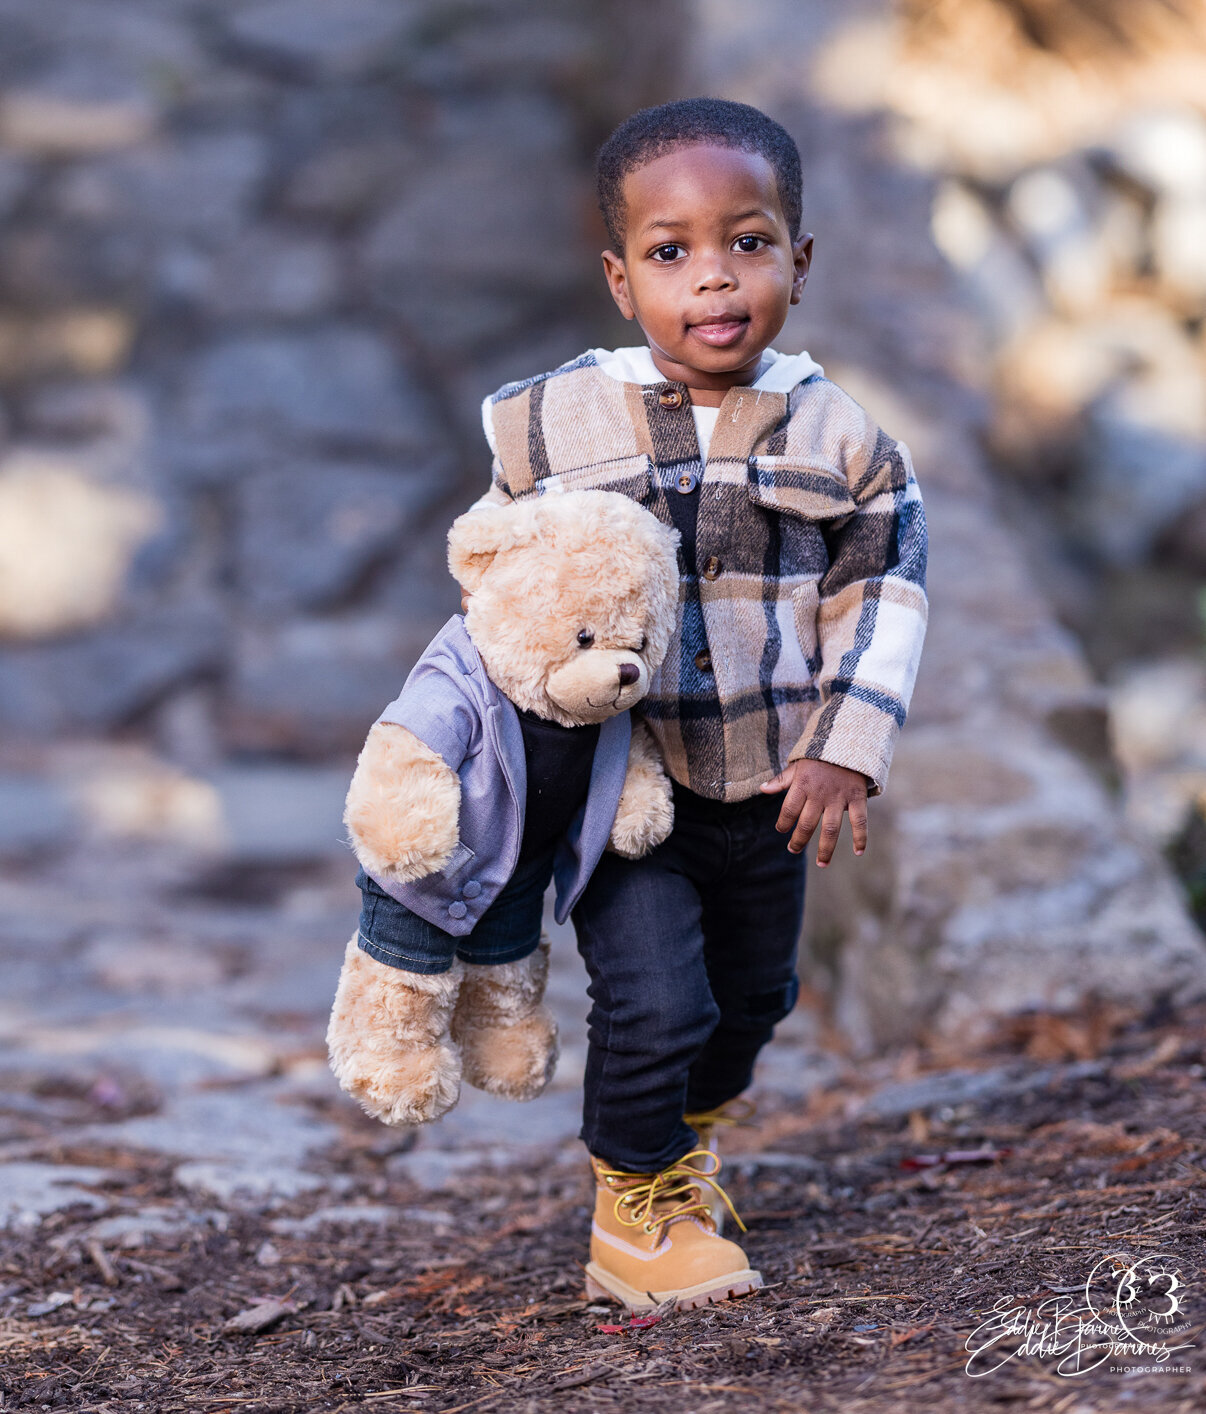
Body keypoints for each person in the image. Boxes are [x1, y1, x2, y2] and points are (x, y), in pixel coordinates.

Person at [474, 98, 929, 1311]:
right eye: (671, 254)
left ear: (800, 259)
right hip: (627, 788)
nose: (713, 280)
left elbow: (882, 591)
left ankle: (683, 1136)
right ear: (622, 282)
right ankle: (635, 1205)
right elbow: (497, 567)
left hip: (772, 778)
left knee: (753, 996)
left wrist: (848, 745)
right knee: (655, 995)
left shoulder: (840, 438)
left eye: (748, 242)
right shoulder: (556, 424)